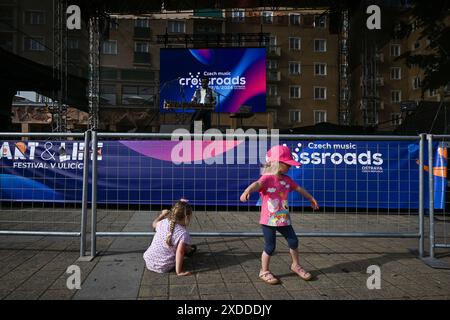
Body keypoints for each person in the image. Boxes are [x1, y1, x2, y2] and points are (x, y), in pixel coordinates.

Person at [240, 145, 320, 285]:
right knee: (270, 247)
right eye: (287, 164)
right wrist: (247, 191)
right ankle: (264, 271)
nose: (290, 167)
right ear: (276, 163)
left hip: (283, 220)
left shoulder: (287, 180)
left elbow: (298, 188)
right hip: (268, 221)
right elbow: (257, 184)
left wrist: (310, 198)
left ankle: (295, 265)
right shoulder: (267, 178)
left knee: (293, 241)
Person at [143, 199, 196, 276]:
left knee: (181, 245)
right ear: (187, 217)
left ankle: (188, 249)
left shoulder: (163, 222)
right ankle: (188, 250)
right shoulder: (183, 233)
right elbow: (180, 252)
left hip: (148, 260)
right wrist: (179, 271)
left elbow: (154, 224)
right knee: (183, 247)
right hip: (163, 266)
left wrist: (162, 215)